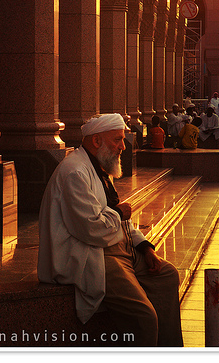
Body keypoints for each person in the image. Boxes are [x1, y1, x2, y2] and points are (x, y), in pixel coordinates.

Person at [37, 113, 184, 347]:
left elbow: (116, 216)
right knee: (144, 317)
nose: (123, 147)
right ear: (97, 141)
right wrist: (119, 213)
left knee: (167, 275)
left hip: (120, 247)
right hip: (93, 253)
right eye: (117, 140)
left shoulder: (99, 166)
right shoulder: (75, 172)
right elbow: (93, 229)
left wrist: (144, 247)